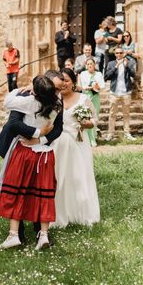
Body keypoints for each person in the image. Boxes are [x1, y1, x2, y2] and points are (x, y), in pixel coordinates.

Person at [0, 75, 62, 251]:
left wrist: (19, 89)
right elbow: (58, 127)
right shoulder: (58, 104)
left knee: (16, 191)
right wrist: (41, 138)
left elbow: (7, 102)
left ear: (34, 91)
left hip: (25, 152)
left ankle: (14, 235)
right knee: (44, 195)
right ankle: (43, 235)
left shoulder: (28, 101)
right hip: (46, 154)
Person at [52, 68, 100, 227]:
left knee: (78, 176)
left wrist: (89, 124)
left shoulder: (83, 99)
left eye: (66, 80)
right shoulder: (54, 99)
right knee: (59, 177)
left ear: (73, 82)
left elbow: (95, 119)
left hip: (78, 144)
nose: (63, 83)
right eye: (61, 80)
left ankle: (81, 213)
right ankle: (59, 214)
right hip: (57, 144)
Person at [105, 48, 136, 141]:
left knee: (126, 114)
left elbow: (133, 74)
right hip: (114, 92)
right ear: (115, 54)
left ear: (123, 53)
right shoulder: (111, 63)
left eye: (121, 53)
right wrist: (115, 67)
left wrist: (126, 66)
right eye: (117, 53)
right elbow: (107, 76)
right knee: (112, 114)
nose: (119, 54)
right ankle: (110, 133)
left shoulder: (128, 62)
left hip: (126, 92)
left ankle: (127, 133)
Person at [78, 58, 104, 146]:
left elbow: (102, 85)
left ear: (94, 64)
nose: (89, 65)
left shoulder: (99, 74)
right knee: (87, 117)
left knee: (94, 117)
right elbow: (81, 86)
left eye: (91, 64)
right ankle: (90, 139)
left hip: (95, 97)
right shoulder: (83, 74)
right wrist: (88, 87)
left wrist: (97, 86)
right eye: (88, 64)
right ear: (86, 65)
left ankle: (94, 137)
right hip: (86, 97)